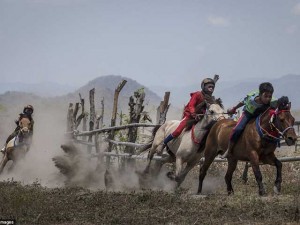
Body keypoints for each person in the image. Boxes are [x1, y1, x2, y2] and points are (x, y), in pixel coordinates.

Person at [221, 82, 277, 158]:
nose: (268, 99)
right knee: (238, 129)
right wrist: (234, 108)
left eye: (270, 96)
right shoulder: (251, 99)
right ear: (260, 95)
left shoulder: (273, 101)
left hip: (260, 115)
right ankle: (229, 150)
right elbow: (242, 102)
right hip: (248, 114)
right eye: (265, 96)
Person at [163, 75, 219, 147]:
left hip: (201, 117)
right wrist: (194, 114)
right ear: (203, 87)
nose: (211, 89)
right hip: (190, 116)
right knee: (177, 131)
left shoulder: (210, 98)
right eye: (209, 87)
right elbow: (191, 106)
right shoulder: (197, 94)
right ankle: (164, 143)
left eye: (212, 87)